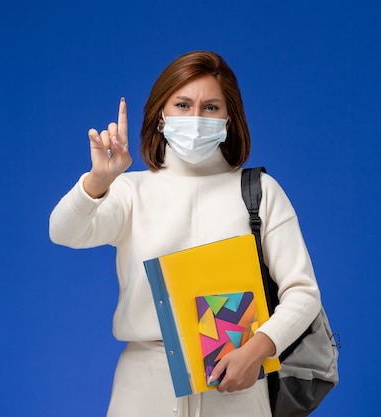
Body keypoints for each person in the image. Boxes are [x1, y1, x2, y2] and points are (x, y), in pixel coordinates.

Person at [49, 50, 321, 417]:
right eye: (182, 104)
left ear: (228, 118)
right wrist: (98, 180)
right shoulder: (131, 191)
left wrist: (258, 349)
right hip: (143, 387)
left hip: (237, 383)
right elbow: (64, 231)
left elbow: (303, 293)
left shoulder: (260, 192)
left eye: (210, 107)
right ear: (161, 115)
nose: (195, 118)